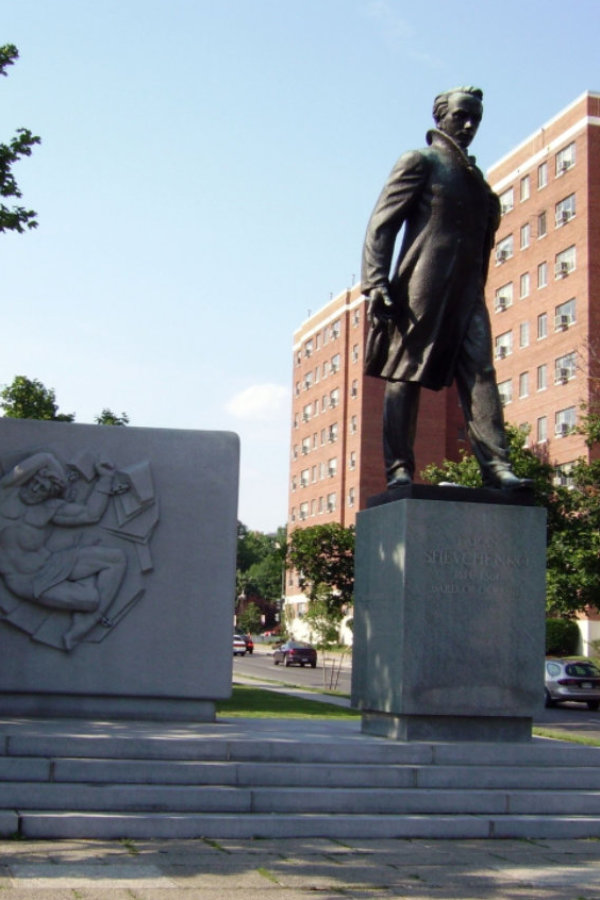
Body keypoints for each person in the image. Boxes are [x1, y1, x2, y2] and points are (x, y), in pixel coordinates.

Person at [361, 86, 530, 490]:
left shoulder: (476, 180)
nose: (469, 125)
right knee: (404, 374)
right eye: (462, 116)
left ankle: (496, 468)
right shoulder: (420, 161)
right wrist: (376, 281)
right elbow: (382, 223)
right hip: (421, 286)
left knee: (481, 372)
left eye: (476, 119)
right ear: (441, 117)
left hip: (468, 291)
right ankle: (399, 469)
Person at [0, 451, 129, 650]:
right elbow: (44, 457)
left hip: (53, 563)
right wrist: (59, 476)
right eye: (35, 482)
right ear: (29, 477)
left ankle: (86, 623)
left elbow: (90, 514)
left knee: (116, 558)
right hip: (28, 581)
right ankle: (86, 597)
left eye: (43, 489)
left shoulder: (48, 508)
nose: (35, 489)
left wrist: (105, 479)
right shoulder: (5, 492)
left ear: (49, 494)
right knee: (91, 600)